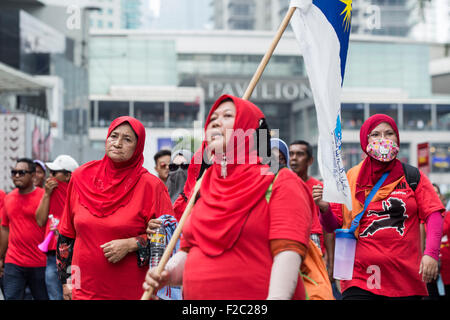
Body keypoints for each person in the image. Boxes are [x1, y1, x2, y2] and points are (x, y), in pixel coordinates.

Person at [143, 94, 314, 300]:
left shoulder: (280, 180)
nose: (216, 121)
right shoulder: (205, 183)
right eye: (213, 117)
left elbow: (287, 253)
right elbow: (190, 251)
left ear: (249, 129)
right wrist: (167, 274)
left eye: (227, 115)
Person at [313, 114, 445, 300]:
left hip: (404, 282)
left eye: (389, 133)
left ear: (397, 138)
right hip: (358, 278)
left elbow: (434, 214)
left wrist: (431, 253)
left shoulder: (412, 177)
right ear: (364, 140)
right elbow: (331, 225)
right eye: (375, 134)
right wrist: (324, 208)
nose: (383, 139)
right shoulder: (350, 178)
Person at [56, 116, 174, 300]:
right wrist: (68, 282)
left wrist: (131, 244)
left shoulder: (151, 186)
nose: (117, 143)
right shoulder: (80, 177)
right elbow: (67, 237)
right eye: (114, 136)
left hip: (132, 292)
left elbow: (169, 239)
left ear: (138, 146)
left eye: (127, 139)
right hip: (83, 291)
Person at [0, 158, 48, 300]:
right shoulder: (8, 198)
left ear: (33, 176)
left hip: (39, 262)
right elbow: (4, 230)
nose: (16, 176)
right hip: (14, 262)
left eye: (21, 172)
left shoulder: (43, 196)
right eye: (14, 172)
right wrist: (0, 258)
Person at [35, 155, 79, 300]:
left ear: (68, 176)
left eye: (54, 173)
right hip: (52, 256)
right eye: (50, 173)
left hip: (73, 255)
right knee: (54, 297)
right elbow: (40, 220)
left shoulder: (80, 193)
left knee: (76, 294)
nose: (50, 177)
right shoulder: (50, 191)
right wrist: (47, 194)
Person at [435, 184, 450, 300]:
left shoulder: (447, 216)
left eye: (436, 192)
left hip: (446, 260)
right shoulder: (422, 216)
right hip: (428, 259)